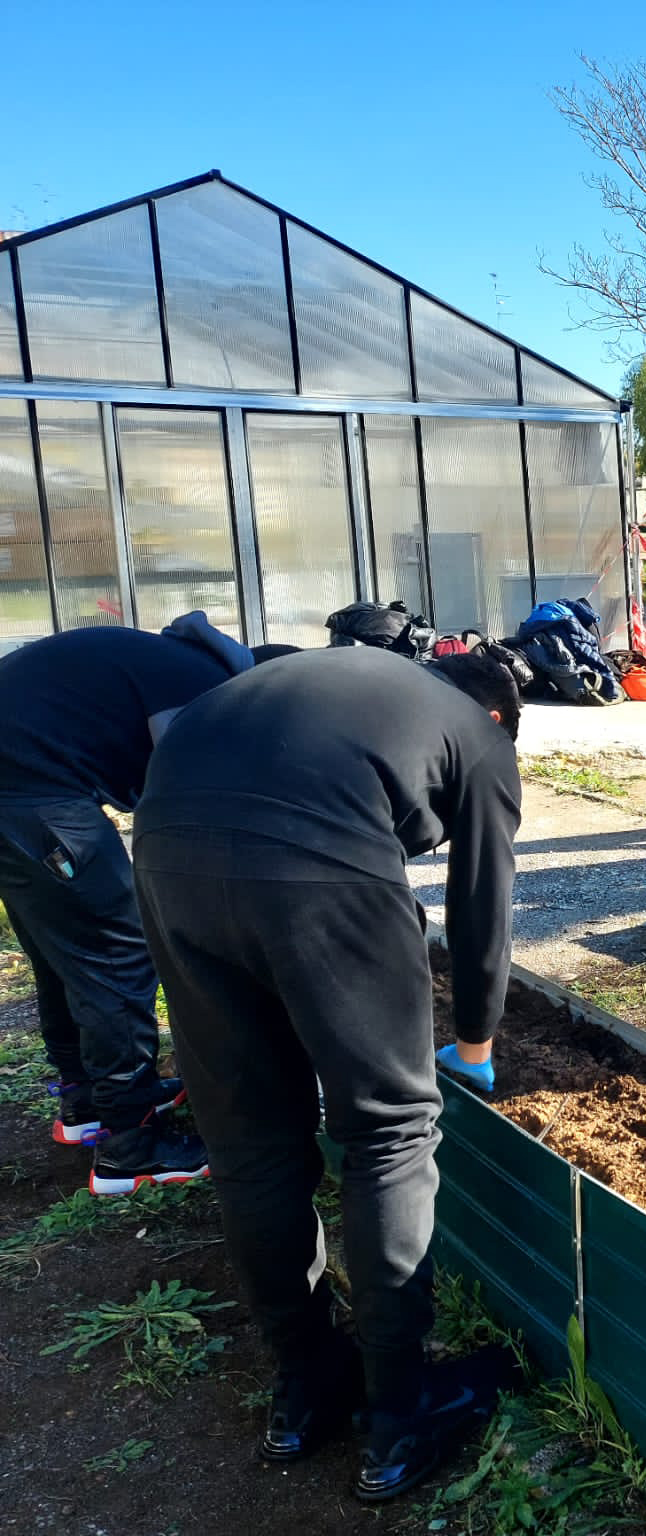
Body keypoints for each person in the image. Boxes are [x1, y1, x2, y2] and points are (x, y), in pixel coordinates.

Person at [132, 648, 523, 1500]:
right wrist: (475, 1044)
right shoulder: (482, 736)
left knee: (251, 1143)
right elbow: (481, 902)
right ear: (499, 719)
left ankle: (305, 1387)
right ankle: (399, 1414)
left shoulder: (346, 682)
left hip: (166, 855)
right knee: (388, 1132)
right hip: (312, 862)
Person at [0, 616, 252, 1194]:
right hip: (36, 800)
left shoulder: (156, 660)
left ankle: (86, 1103)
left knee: (61, 954)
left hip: (18, 793)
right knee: (117, 955)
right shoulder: (201, 689)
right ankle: (132, 1147)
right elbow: (183, 791)